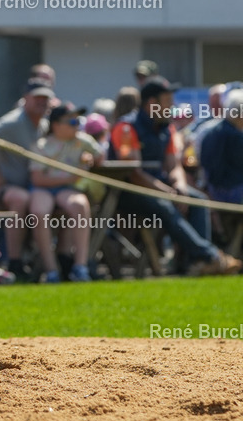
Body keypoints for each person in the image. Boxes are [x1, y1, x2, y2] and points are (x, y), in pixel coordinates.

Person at [109, 76, 240, 276]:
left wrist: (178, 185)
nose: (172, 106)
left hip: (159, 189)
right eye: (168, 101)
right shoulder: (125, 128)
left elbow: (173, 165)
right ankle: (211, 256)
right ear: (152, 103)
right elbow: (134, 173)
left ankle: (196, 263)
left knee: (199, 200)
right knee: (165, 204)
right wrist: (167, 192)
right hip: (128, 193)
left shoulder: (166, 128)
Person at [0, 78, 53, 280]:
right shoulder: (13, 122)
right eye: (37, 98)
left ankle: (56, 264)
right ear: (25, 99)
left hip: (31, 186)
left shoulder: (44, 124)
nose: (42, 102)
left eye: (45, 98)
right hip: (5, 188)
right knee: (20, 199)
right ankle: (15, 261)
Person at [28, 104, 104, 283]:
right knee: (39, 211)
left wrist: (92, 159)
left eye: (78, 121)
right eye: (71, 121)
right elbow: (37, 179)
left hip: (68, 190)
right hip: (44, 189)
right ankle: (51, 270)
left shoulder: (84, 141)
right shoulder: (41, 145)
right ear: (55, 125)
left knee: (79, 205)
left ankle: (80, 267)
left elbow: (100, 157)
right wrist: (70, 178)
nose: (76, 125)